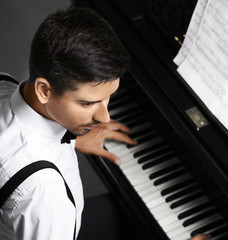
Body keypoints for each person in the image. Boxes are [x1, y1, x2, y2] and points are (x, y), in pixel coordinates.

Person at [0, 7, 210, 240]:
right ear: (44, 90)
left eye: (108, 98)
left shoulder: (3, 84)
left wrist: (72, 140)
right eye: (89, 103)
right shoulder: (45, 195)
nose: (105, 118)